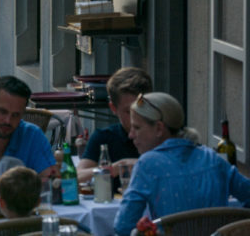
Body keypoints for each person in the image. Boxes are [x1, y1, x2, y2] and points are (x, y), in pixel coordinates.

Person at [113, 92, 250, 235]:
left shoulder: (147, 165)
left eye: (137, 128)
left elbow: (123, 225)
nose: (131, 135)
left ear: (159, 128)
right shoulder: (213, 159)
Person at [77, 67, 152, 187]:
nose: (136, 117)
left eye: (141, 109)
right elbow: (77, 176)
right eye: (128, 112)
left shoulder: (160, 134)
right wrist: (114, 168)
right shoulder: (104, 138)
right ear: (113, 108)